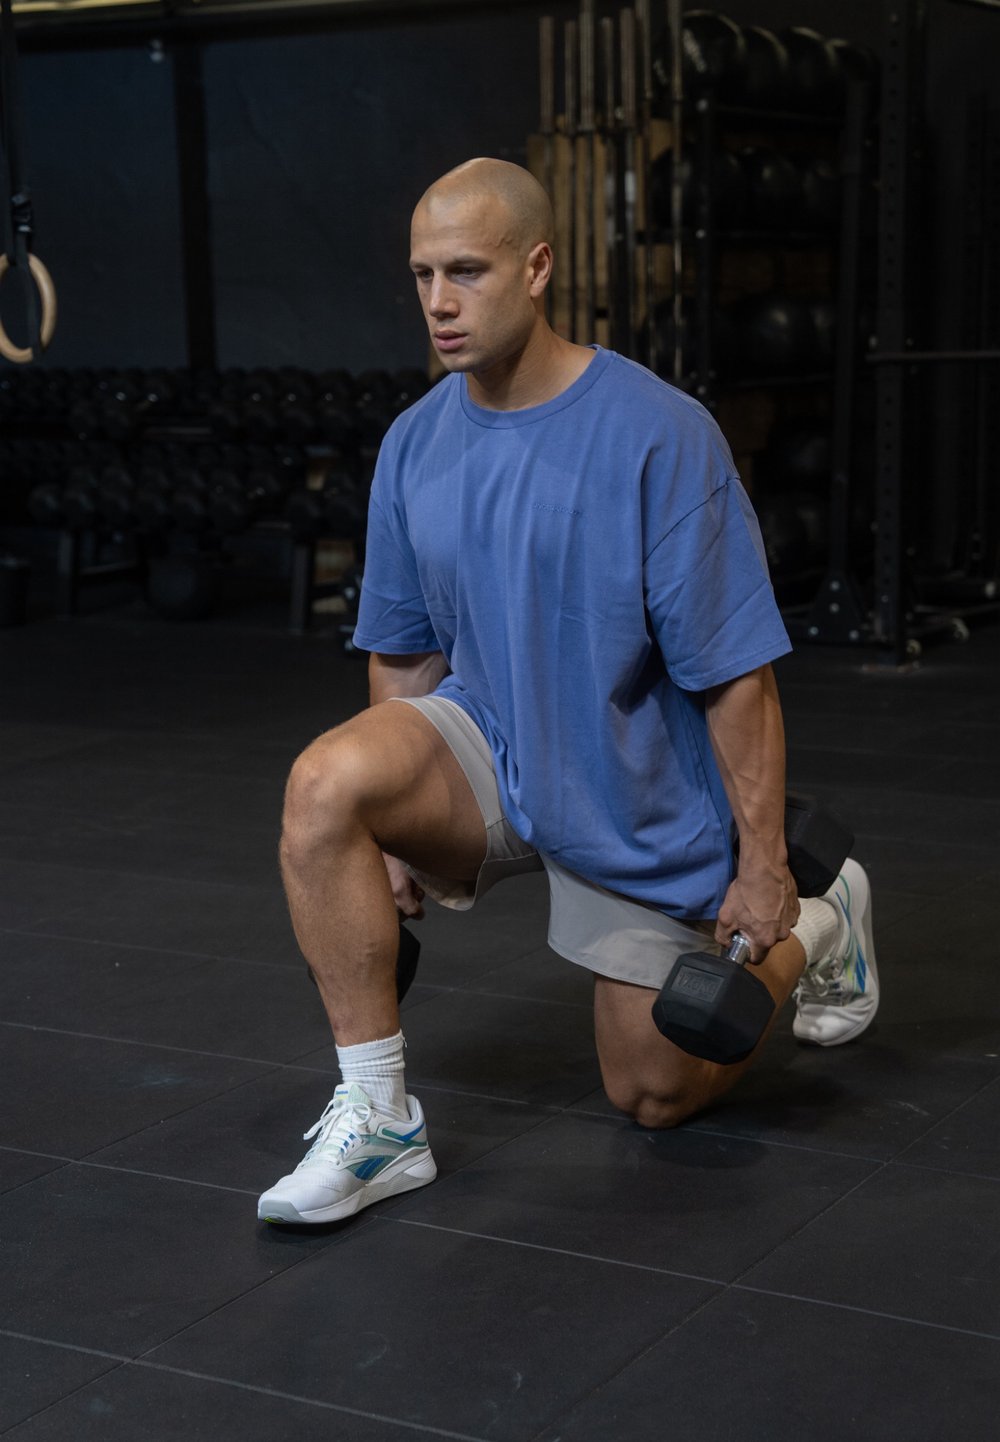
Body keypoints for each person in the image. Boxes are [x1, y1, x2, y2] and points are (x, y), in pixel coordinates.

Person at [258, 157, 878, 1227]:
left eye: (467, 271)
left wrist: (767, 863)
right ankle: (380, 1117)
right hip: (492, 743)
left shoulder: (657, 433)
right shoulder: (415, 441)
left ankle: (825, 922)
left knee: (652, 1092)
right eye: (420, 276)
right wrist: (397, 833)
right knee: (326, 784)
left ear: (537, 266)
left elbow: (734, 673)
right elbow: (403, 656)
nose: (440, 304)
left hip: (626, 775)